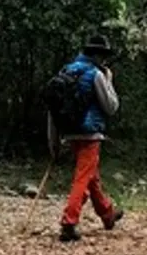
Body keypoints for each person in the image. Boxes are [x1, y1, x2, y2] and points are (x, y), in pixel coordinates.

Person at [49, 34, 124, 242]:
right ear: (98, 55)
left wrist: (53, 142)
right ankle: (69, 222)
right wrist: (109, 81)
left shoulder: (65, 71)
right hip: (90, 134)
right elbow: (111, 107)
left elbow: (53, 110)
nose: (105, 61)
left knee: (91, 176)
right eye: (104, 56)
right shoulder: (95, 74)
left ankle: (108, 214)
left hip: (70, 132)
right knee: (83, 177)